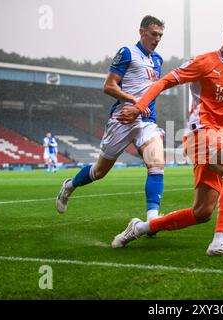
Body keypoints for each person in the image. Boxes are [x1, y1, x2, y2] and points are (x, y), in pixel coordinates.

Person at [112, 18, 223, 258]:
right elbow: (163, 82)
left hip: (220, 141)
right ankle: (219, 242)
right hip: (200, 136)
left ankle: (139, 228)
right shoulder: (204, 62)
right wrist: (139, 106)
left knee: (201, 213)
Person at [56, 16, 166, 229]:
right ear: (142, 31)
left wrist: (143, 107)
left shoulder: (158, 60)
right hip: (122, 118)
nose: (157, 39)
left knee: (156, 165)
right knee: (99, 172)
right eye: (154, 34)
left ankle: (152, 222)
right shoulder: (127, 52)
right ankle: (69, 186)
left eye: (160, 35)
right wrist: (135, 101)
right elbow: (108, 86)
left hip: (146, 121)